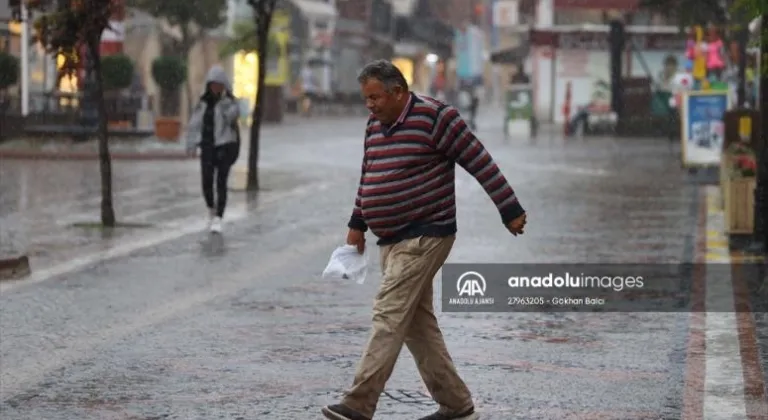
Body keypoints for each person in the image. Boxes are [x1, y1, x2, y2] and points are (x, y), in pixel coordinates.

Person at [321, 60, 527, 420]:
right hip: (390, 239)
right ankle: (457, 406)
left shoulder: (436, 118)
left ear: (397, 92)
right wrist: (357, 223)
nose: (369, 105)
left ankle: (358, 403)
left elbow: (478, 159)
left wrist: (508, 208)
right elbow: (369, 175)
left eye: (375, 97)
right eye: (366, 98)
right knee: (417, 326)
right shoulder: (374, 125)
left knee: (388, 312)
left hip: (427, 233)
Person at [185, 64, 240, 233]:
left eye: (219, 84)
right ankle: (211, 207)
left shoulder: (230, 102)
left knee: (221, 182)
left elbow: (233, 116)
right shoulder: (203, 104)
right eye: (213, 84)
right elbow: (195, 125)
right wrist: (191, 144)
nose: (216, 88)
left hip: (224, 146)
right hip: (208, 147)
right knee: (206, 181)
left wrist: (223, 102)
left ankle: (219, 217)